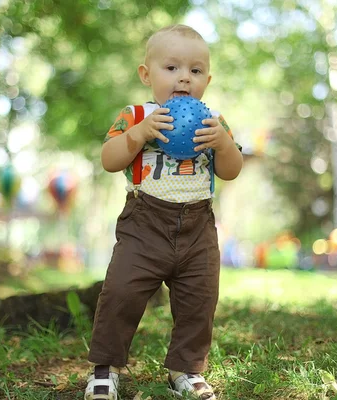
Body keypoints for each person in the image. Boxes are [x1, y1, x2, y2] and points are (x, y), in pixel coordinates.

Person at [85, 24, 243, 400]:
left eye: (195, 70)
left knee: (199, 300)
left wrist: (222, 144)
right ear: (146, 74)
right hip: (145, 223)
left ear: (207, 78)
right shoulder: (136, 114)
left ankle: (185, 370)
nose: (184, 78)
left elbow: (231, 170)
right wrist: (138, 134)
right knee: (120, 292)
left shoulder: (213, 121)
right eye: (171, 68)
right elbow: (109, 159)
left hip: (198, 227)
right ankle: (105, 368)